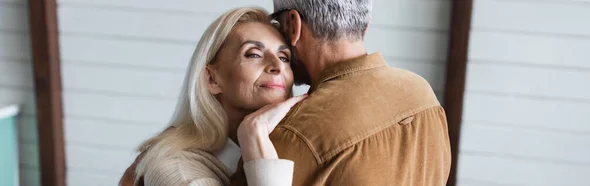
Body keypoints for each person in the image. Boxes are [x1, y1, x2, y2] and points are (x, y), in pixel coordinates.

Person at [230, 0, 452, 185]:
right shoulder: (422, 93)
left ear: (293, 25)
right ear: (364, 27)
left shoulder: (291, 134)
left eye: (278, 23)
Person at [119, 7, 305, 186]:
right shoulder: (175, 168)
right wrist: (254, 135)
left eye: (284, 57)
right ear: (212, 79)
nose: (277, 66)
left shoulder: (296, 145)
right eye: (254, 54)